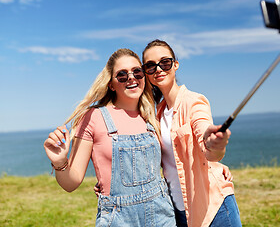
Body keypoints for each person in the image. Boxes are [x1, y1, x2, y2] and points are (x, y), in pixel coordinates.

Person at [43, 48, 176, 227]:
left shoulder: (152, 115)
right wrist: (60, 162)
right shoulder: (93, 117)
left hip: (162, 215)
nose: (131, 77)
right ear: (111, 84)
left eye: (137, 72)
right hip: (118, 219)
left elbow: (174, 161)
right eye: (122, 75)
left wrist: (213, 166)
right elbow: (70, 183)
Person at [141, 39, 242, 227]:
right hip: (179, 211)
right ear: (146, 72)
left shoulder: (194, 101)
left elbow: (203, 132)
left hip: (213, 206)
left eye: (165, 62)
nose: (158, 69)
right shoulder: (156, 115)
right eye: (150, 65)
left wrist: (213, 144)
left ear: (175, 64)